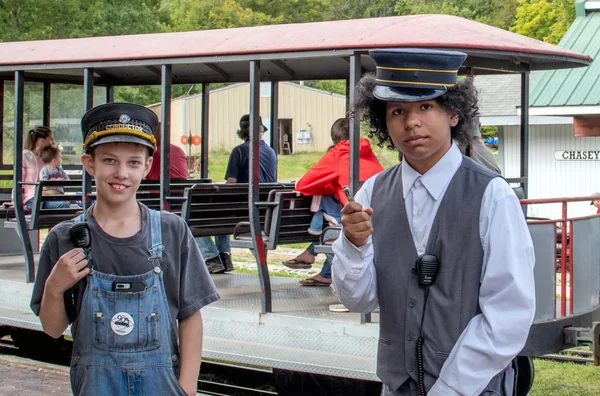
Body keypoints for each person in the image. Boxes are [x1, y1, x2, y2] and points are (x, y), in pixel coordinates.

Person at [332, 49, 535, 395]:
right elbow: (358, 301)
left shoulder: (492, 196)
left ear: (454, 113)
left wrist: (450, 388)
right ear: (384, 122)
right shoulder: (372, 194)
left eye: (426, 107)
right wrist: (355, 246)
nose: (412, 122)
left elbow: (508, 314)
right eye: (398, 111)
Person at [30, 103, 219, 396]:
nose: (121, 173)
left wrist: (187, 388)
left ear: (146, 166)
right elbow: (53, 329)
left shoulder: (172, 231)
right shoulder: (64, 237)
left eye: (133, 162)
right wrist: (54, 287)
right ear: (89, 163)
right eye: (109, 160)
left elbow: (190, 315)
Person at [283, 118, 384, 289]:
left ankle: (313, 246)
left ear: (334, 138)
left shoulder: (338, 154)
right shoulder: (368, 153)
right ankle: (322, 270)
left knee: (330, 214)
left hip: (359, 222)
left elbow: (303, 185)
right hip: (381, 216)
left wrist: (328, 186)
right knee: (337, 215)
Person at [196, 114, 277, 273]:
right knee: (222, 217)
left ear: (243, 132)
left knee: (198, 219)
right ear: (262, 130)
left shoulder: (239, 151)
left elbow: (231, 184)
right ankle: (224, 255)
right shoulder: (271, 152)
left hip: (243, 209)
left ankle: (213, 258)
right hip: (264, 208)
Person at [20, 126, 68, 209]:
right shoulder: (26, 156)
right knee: (61, 205)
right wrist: (15, 198)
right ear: (41, 141)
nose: (53, 142)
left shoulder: (47, 157)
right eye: (51, 139)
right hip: (32, 196)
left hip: (48, 194)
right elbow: (19, 178)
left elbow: (58, 171)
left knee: (66, 204)